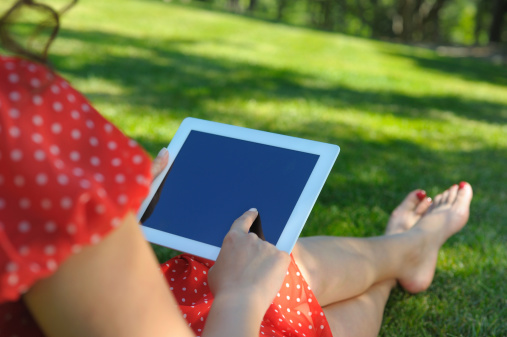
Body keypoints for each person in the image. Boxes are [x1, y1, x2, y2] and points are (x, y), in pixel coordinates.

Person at [0, 1, 473, 336]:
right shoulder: (15, 120)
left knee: (268, 264)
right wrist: (240, 300)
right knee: (276, 290)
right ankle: (409, 251)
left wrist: (108, 217)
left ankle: (409, 248)